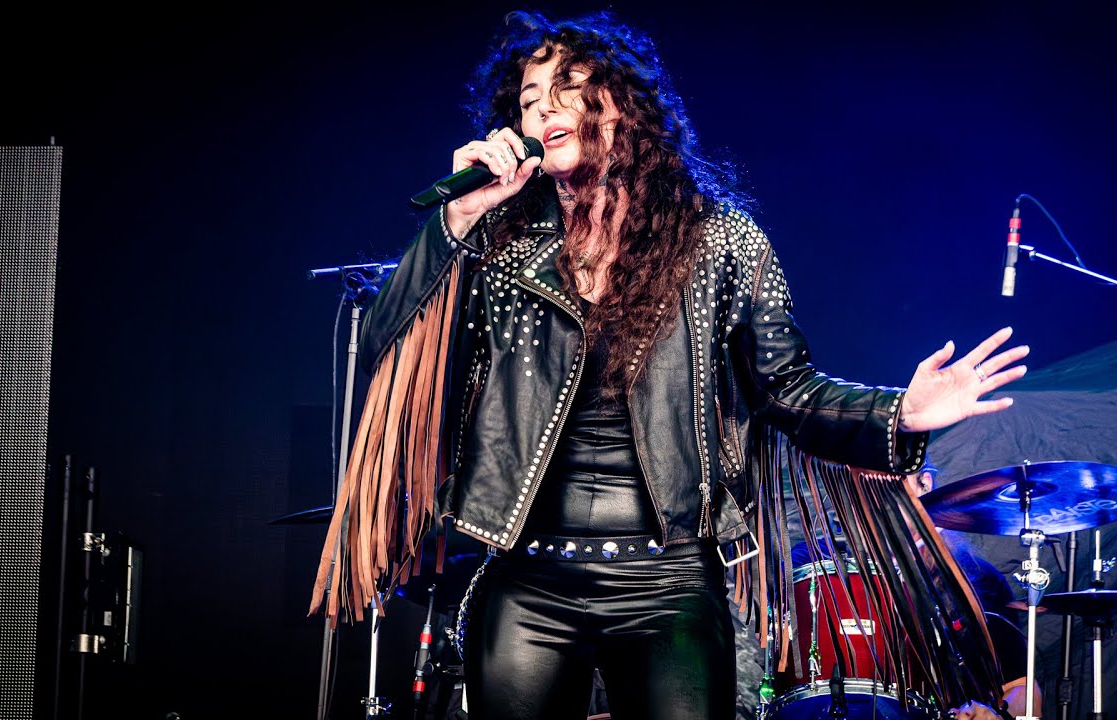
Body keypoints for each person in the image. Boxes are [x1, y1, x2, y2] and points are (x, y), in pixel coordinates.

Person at [310, 10, 1029, 720]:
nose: (544, 108)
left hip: (669, 578)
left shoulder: (721, 244)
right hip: (528, 578)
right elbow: (386, 350)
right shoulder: (498, 242)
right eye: (529, 100)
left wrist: (901, 412)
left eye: (568, 87)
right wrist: (458, 221)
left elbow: (785, 387)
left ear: (623, 106)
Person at [907, 460, 1044, 720]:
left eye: (892, 481)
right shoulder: (829, 573)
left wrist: (994, 716)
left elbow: (1025, 692)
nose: (879, 496)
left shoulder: (978, 580)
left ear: (924, 483)